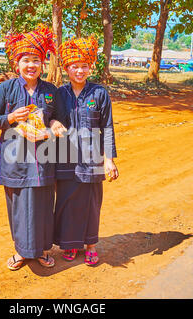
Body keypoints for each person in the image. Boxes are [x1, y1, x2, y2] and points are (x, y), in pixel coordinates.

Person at [0, 24, 66, 271]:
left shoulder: (51, 91)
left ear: (43, 64)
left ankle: (41, 251)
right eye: (26, 60)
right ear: (16, 64)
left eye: (36, 60)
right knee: (18, 207)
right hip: (15, 160)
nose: (31, 65)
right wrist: (10, 118)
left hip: (44, 159)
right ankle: (21, 252)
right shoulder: (6, 89)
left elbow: (59, 119)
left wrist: (53, 127)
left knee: (42, 206)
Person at [54, 36, 119, 266]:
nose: (79, 71)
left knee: (91, 203)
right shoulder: (59, 94)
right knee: (67, 202)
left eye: (84, 66)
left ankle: (90, 245)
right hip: (65, 159)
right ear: (66, 68)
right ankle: (71, 244)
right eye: (75, 66)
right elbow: (49, 119)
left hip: (92, 160)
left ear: (90, 67)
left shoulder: (99, 94)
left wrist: (109, 160)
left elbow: (108, 127)